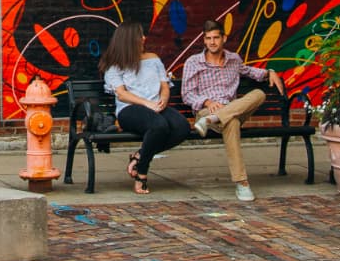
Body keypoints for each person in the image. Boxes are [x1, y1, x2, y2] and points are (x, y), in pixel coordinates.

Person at [177, 18, 276, 203]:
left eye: (216, 37)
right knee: (232, 122)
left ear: (224, 38)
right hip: (206, 111)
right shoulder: (194, 62)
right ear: (204, 40)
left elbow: (248, 71)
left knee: (259, 94)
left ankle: (214, 119)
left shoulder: (234, 59)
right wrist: (207, 101)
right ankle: (242, 183)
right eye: (208, 38)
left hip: (230, 109)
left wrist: (270, 72)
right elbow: (187, 95)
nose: (212, 42)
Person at [102, 21, 186, 194]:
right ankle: (142, 173)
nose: (144, 38)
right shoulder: (115, 65)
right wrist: (147, 103)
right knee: (159, 126)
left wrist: (163, 99)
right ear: (129, 40)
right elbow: (122, 94)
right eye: (140, 35)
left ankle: (139, 156)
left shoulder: (153, 59)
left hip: (156, 106)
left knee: (182, 127)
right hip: (130, 109)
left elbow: (164, 85)